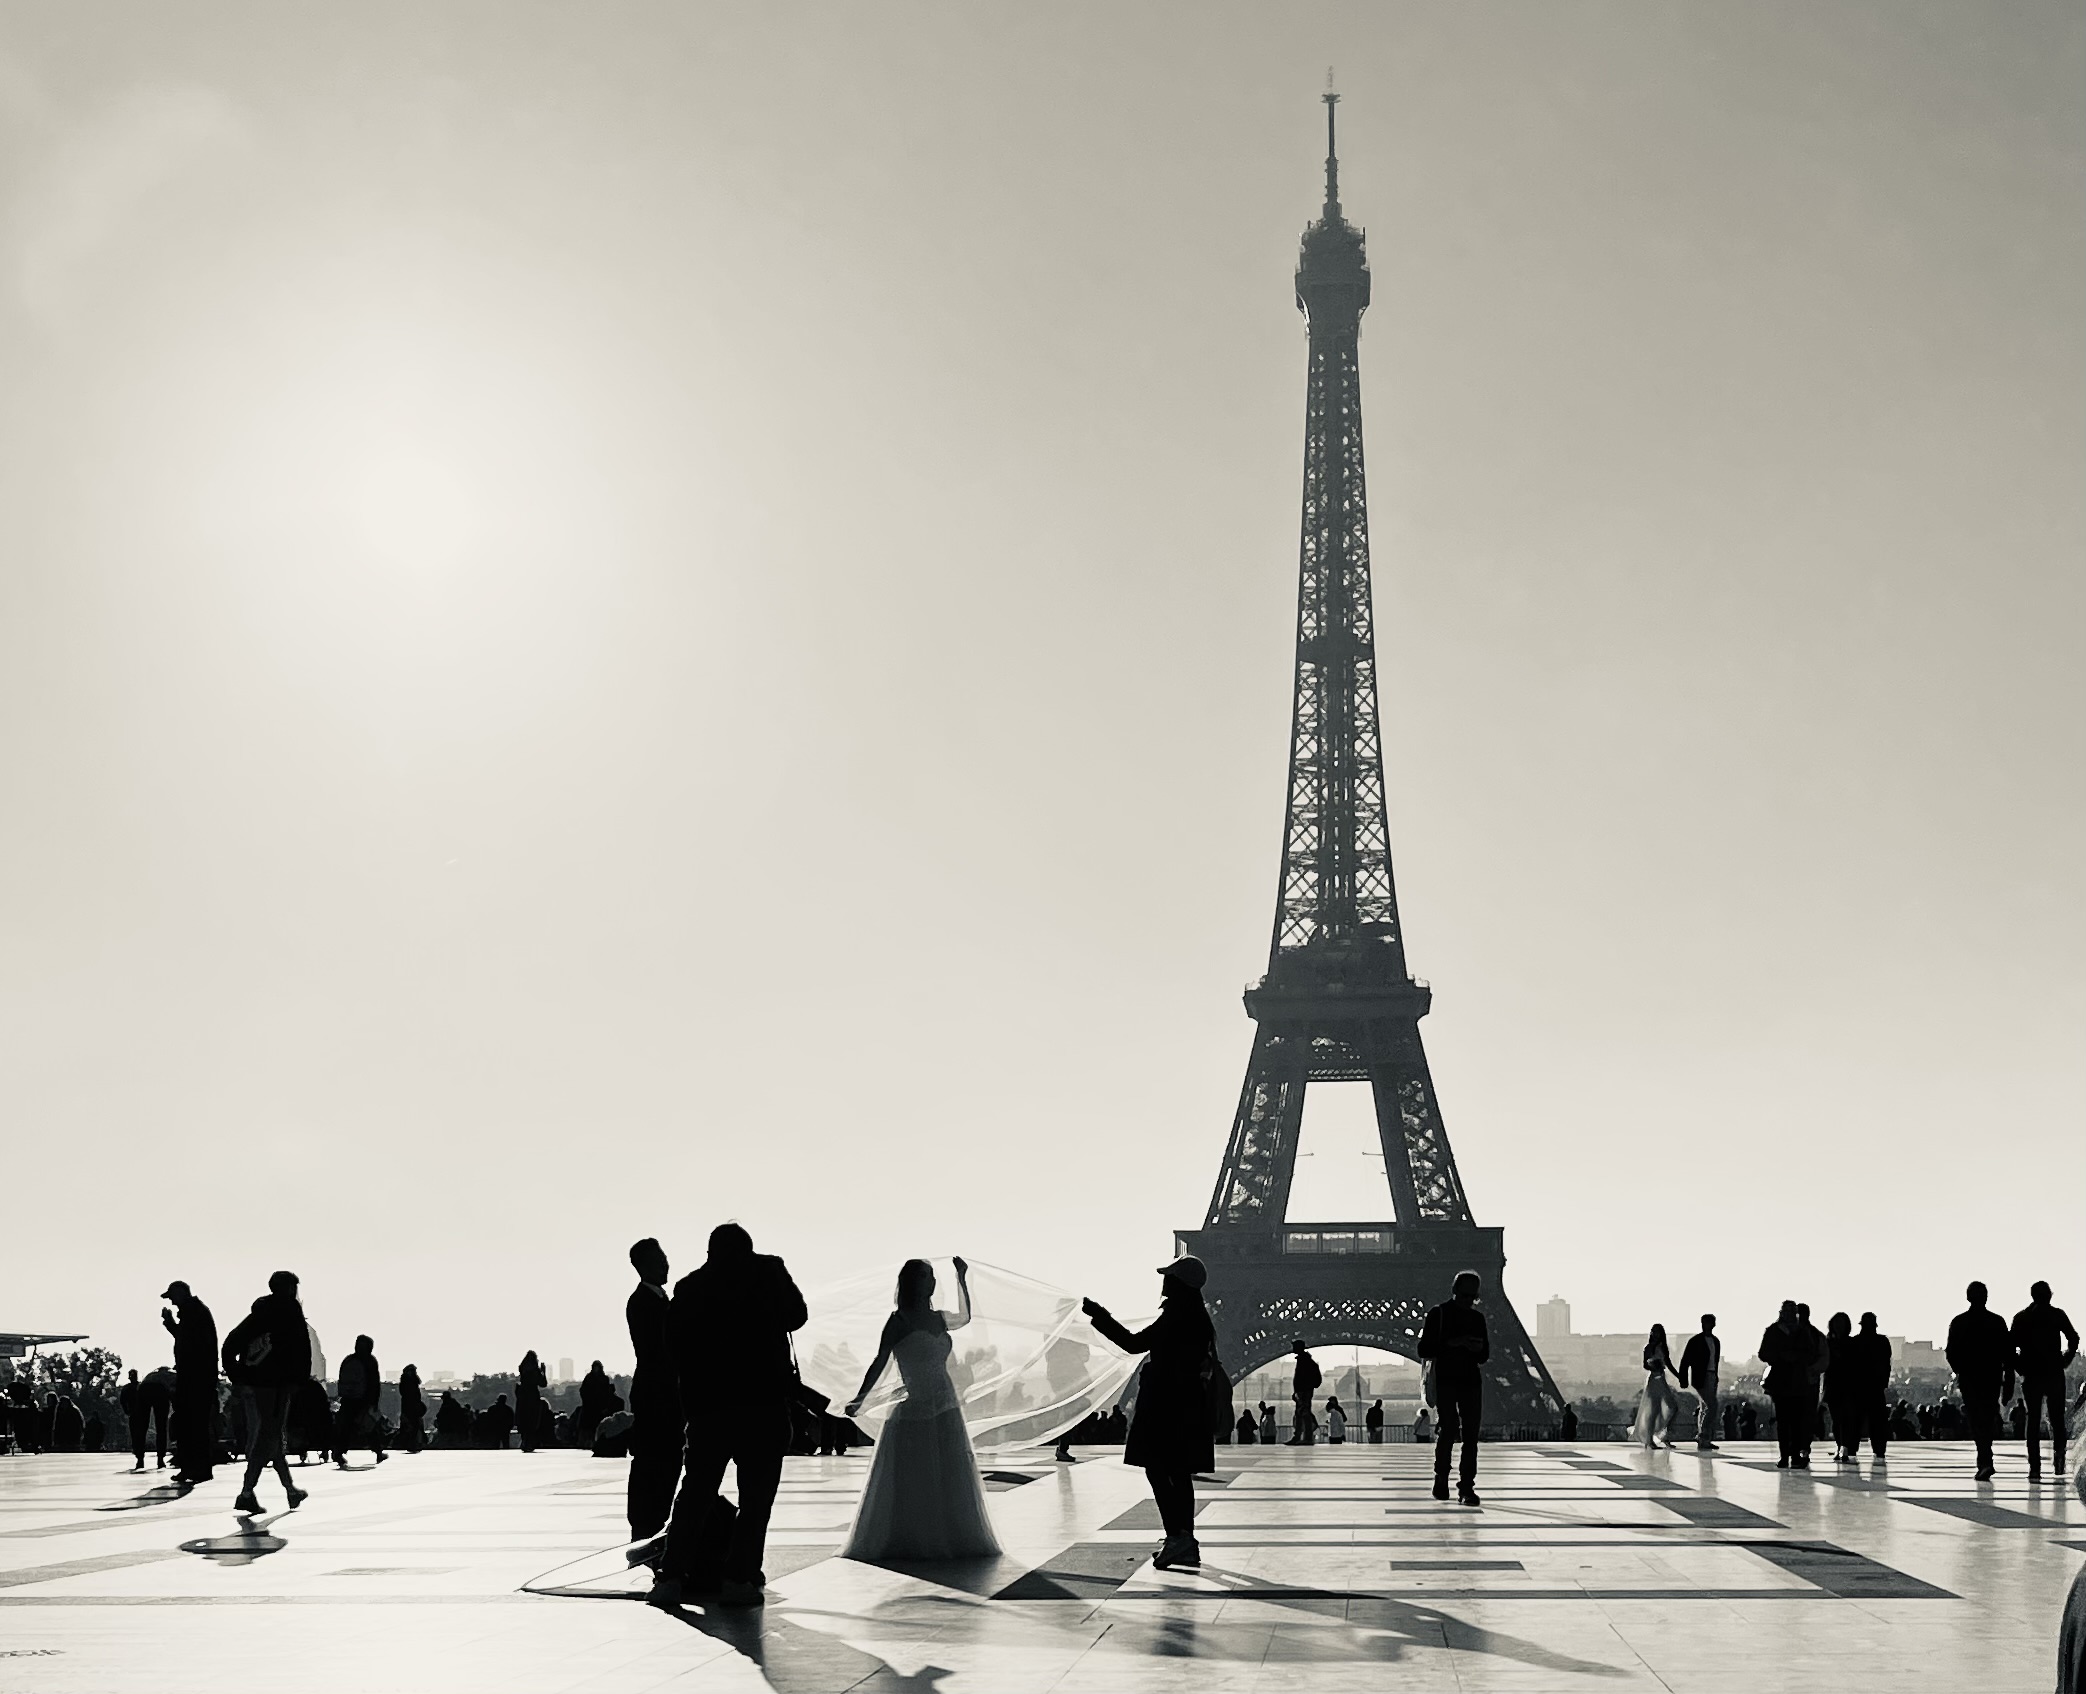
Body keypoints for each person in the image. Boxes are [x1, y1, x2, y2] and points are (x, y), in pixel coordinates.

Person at [651, 1222, 809, 1608]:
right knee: (756, 1499)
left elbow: (674, 1348)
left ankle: (671, 1576)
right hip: (763, 1403)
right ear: (749, 1249)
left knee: (695, 1494)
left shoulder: (689, 1288)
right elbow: (797, 1316)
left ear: (710, 1252)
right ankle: (739, 1577)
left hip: (710, 1407)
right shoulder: (768, 1271)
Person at [840, 1256, 1000, 1561]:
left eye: (933, 1277)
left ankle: (956, 1535)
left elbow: (965, 1317)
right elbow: (880, 1361)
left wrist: (961, 1279)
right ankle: (914, 1537)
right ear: (914, 1282)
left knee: (951, 1473)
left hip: (946, 1403)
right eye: (927, 1277)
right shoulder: (898, 1321)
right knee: (918, 1476)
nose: (932, 1281)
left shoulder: (939, 1318)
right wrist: (860, 1398)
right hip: (915, 1407)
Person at [1083, 1255, 1219, 1572]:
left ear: (1178, 1283)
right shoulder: (1198, 1316)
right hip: (1186, 1404)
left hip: (1165, 1404)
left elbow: (1133, 1344)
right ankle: (1185, 1538)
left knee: (1157, 1469)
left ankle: (1176, 1537)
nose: (1163, 1280)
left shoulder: (1175, 1315)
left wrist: (1100, 1315)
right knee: (1179, 1472)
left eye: (1168, 1276)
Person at [221, 1271, 314, 1515]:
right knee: (269, 1436)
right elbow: (303, 1351)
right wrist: (299, 1380)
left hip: (258, 1382)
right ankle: (247, 1491)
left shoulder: (259, 1314)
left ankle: (289, 1490)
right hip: (279, 1384)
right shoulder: (290, 1313)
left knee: (271, 1435)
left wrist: (239, 1376)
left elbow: (230, 1344)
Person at [626, 1238, 684, 1542]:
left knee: (662, 1463)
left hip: (658, 1393)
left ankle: (648, 1524)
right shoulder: (646, 1304)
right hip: (658, 1395)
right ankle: (645, 1526)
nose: (665, 1265)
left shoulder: (654, 1300)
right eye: (659, 1260)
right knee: (656, 1464)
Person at [1417, 1270, 1489, 1505]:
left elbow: (1484, 1355)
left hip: (1468, 1381)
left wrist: (1475, 1347)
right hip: (1447, 1381)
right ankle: (1443, 1479)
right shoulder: (1438, 1315)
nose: (1469, 1301)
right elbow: (1424, 1350)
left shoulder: (1477, 1319)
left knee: (1468, 1437)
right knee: (1449, 1431)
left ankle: (1465, 1487)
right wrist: (1455, 1343)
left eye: (1472, 1297)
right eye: (1466, 1296)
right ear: (1457, 1292)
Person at [1946, 1281, 2015, 1481]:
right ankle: (1986, 1458)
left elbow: (1951, 1352)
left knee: (1976, 1418)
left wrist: (1960, 1370)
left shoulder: (1959, 1322)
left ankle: (1984, 1459)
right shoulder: (1996, 1322)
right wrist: (2008, 1380)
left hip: (1970, 1377)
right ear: (1986, 1297)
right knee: (1986, 1415)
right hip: (1991, 1376)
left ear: (1968, 1297)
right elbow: (2008, 1354)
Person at [2011, 1281, 2079, 1481]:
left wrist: (2019, 1366)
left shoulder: (2022, 1317)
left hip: (2031, 1373)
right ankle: (2059, 1459)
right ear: (2049, 1295)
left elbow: (2009, 1346)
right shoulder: (2057, 1315)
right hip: (2053, 1371)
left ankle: (2035, 1466)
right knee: (2057, 1419)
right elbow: (2073, 1338)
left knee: (2032, 1420)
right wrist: (2066, 1358)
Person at [160, 1280, 219, 1486]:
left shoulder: (193, 1312)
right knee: (193, 1424)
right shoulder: (196, 1311)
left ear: (181, 1294)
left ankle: (194, 1467)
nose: (173, 1303)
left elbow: (188, 1343)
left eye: (173, 1297)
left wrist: (170, 1324)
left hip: (195, 1377)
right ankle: (194, 1467)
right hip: (198, 1376)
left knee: (191, 1423)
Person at [1759, 1301, 1812, 1469]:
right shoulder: (1800, 1332)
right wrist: (1785, 1356)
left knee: (1789, 1422)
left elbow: (1809, 1353)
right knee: (1790, 1421)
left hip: (1789, 1381)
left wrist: (1787, 1356)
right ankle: (1790, 1456)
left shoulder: (1777, 1331)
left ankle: (1788, 1456)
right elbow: (1764, 1354)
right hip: (1790, 1381)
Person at [335, 1335, 388, 1468]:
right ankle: (378, 1451)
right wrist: (374, 1401)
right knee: (369, 1426)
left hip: (348, 1399)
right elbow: (374, 1383)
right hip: (364, 1399)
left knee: (345, 1427)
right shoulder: (369, 1361)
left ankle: (338, 1452)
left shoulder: (349, 1360)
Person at [1848, 1314, 1893, 1460]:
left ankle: (1852, 1448)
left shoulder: (1854, 1342)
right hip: (1875, 1387)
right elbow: (1886, 1364)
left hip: (1858, 1387)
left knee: (1856, 1420)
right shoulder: (1882, 1341)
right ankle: (1879, 1449)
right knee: (1877, 1422)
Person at [1822, 1313, 1863, 1462]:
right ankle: (1843, 1446)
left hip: (1842, 1385)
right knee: (1839, 1419)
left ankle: (1843, 1446)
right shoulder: (1851, 1344)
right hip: (1843, 1385)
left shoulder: (1828, 1344)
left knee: (1842, 1419)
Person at [1678, 1315, 1720, 1450]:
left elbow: (1715, 1361)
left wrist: (1716, 1376)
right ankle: (1703, 1436)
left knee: (1704, 1408)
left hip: (1712, 1376)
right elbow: (1685, 1361)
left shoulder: (1715, 1341)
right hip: (1700, 1377)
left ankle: (1704, 1439)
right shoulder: (1695, 1341)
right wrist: (1683, 1379)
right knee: (1712, 1407)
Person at [1636, 1324, 1680, 1450]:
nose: (1656, 1334)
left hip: (1661, 1378)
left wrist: (1679, 1376)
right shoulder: (1649, 1348)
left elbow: (1669, 1364)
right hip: (1654, 1379)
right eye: (1654, 1332)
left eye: (1658, 1332)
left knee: (1672, 1407)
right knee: (1654, 1410)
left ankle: (1664, 1433)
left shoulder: (1663, 1348)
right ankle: (1649, 1440)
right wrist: (1654, 1366)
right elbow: (1645, 1364)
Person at [1794, 1303, 1827, 1465]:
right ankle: (1803, 1447)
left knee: (1797, 1417)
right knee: (1806, 1417)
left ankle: (1797, 1447)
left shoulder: (1789, 1334)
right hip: (1809, 1381)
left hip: (1799, 1382)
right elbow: (1824, 1358)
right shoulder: (1816, 1335)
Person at [1285, 1344, 1322, 1445]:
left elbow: (1299, 1378)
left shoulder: (1303, 1361)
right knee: (1302, 1414)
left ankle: (1302, 1437)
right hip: (1305, 1391)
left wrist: (1299, 1390)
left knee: (1302, 1414)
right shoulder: (1307, 1361)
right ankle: (1305, 1437)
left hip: (1303, 1392)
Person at [516, 1351, 548, 1454]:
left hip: (523, 1397)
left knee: (524, 1419)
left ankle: (525, 1441)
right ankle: (528, 1442)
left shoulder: (523, 1369)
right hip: (532, 1397)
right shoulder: (535, 1370)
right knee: (532, 1420)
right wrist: (543, 1371)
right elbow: (543, 1383)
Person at [396, 1365, 426, 1454]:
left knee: (412, 1425)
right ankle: (414, 1443)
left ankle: (412, 1443)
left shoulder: (406, 1381)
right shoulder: (410, 1381)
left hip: (409, 1406)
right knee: (414, 1425)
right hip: (411, 1406)